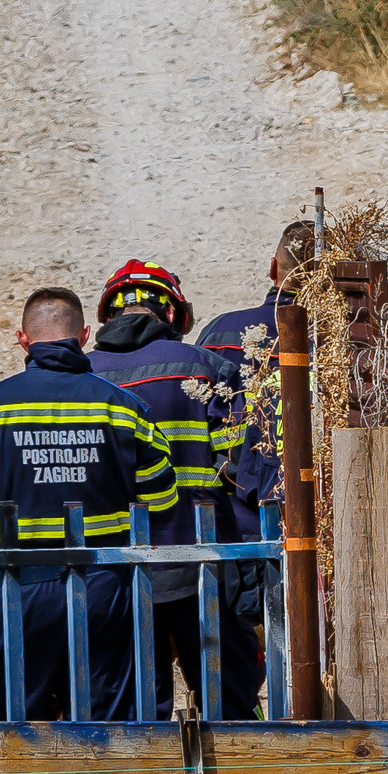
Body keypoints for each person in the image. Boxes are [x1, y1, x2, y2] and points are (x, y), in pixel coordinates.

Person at [0, 286, 177, 717]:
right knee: (110, 725)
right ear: (85, 335)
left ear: (23, 339)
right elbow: (161, 500)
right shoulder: (125, 408)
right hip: (106, 587)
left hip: (18, 583)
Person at [86, 258, 263, 717]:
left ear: (110, 315)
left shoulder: (80, 379)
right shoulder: (206, 368)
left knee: (138, 710)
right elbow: (235, 467)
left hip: (115, 568)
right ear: (170, 314)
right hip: (201, 561)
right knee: (229, 702)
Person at [198, 217, 323, 546]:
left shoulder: (220, 333)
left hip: (243, 532)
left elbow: (202, 430)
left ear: (273, 269)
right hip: (326, 525)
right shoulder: (339, 342)